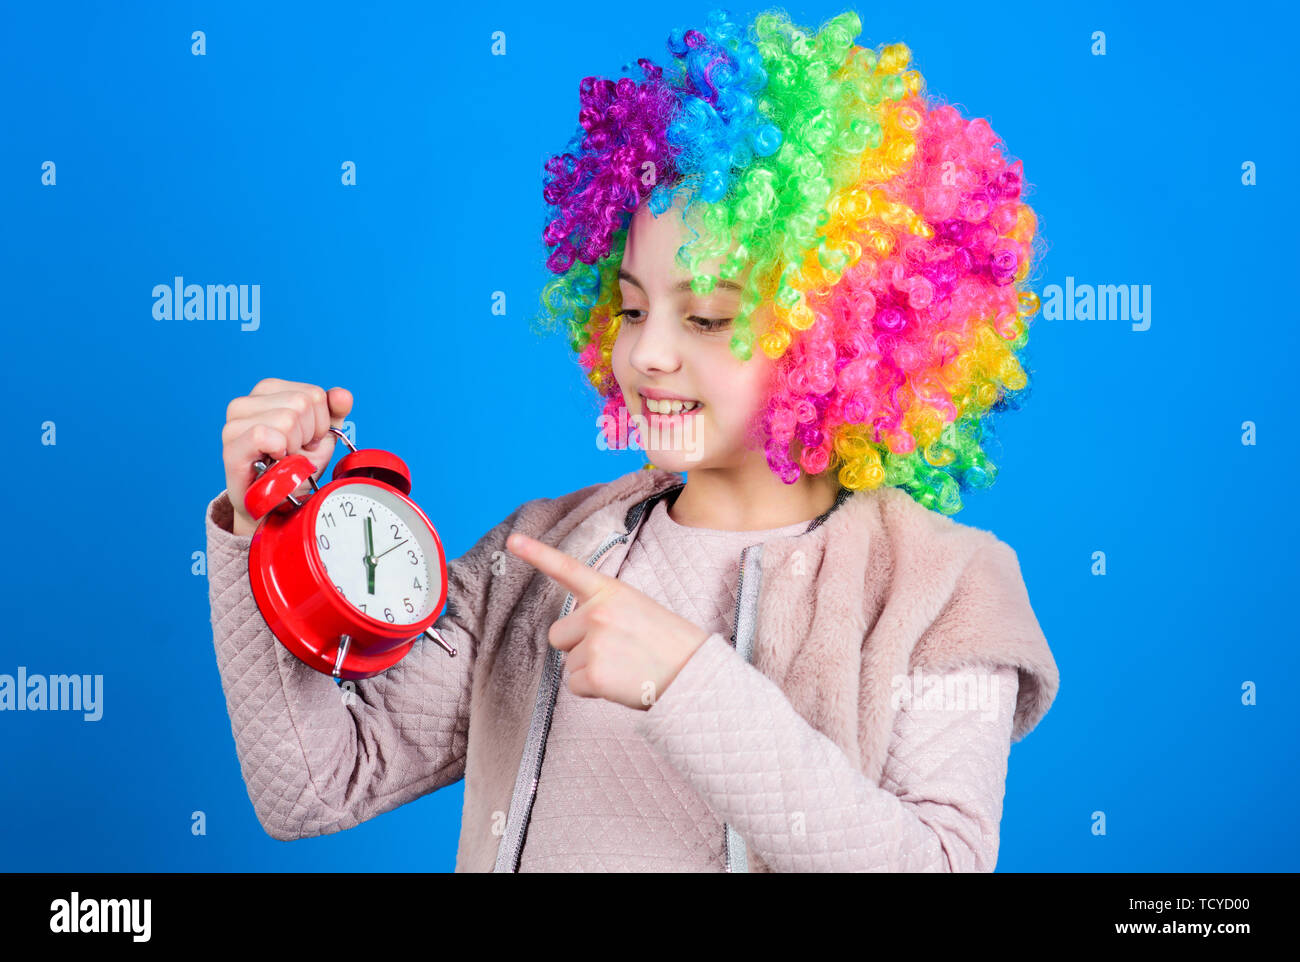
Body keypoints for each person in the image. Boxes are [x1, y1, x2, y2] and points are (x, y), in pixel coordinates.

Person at [205, 7, 1059, 872]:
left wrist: (689, 684)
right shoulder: (540, 557)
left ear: (840, 336)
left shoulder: (945, 588)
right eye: (634, 307)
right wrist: (262, 527)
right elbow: (316, 786)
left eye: (708, 316)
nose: (648, 352)